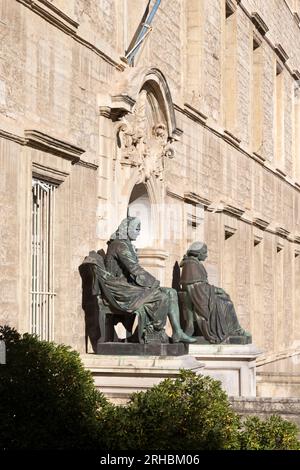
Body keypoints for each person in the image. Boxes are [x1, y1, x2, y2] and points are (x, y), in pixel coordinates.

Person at [102, 216, 196, 344]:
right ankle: (152, 333)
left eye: (139, 229)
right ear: (127, 229)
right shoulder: (119, 245)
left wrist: (152, 283)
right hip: (120, 289)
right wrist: (153, 283)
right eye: (136, 229)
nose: (138, 232)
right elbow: (134, 269)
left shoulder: (126, 244)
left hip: (130, 286)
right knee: (161, 296)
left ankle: (177, 332)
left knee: (171, 292)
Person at [180, 241, 251, 344]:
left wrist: (215, 290)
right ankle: (234, 330)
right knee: (227, 304)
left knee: (226, 297)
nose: (206, 255)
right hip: (200, 298)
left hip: (203, 294)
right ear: (198, 253)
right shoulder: (191, 264)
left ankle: (235, 329)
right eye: (204, 252)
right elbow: (196, 288)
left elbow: (201, 285)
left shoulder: (195, 263)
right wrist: (216, 290)